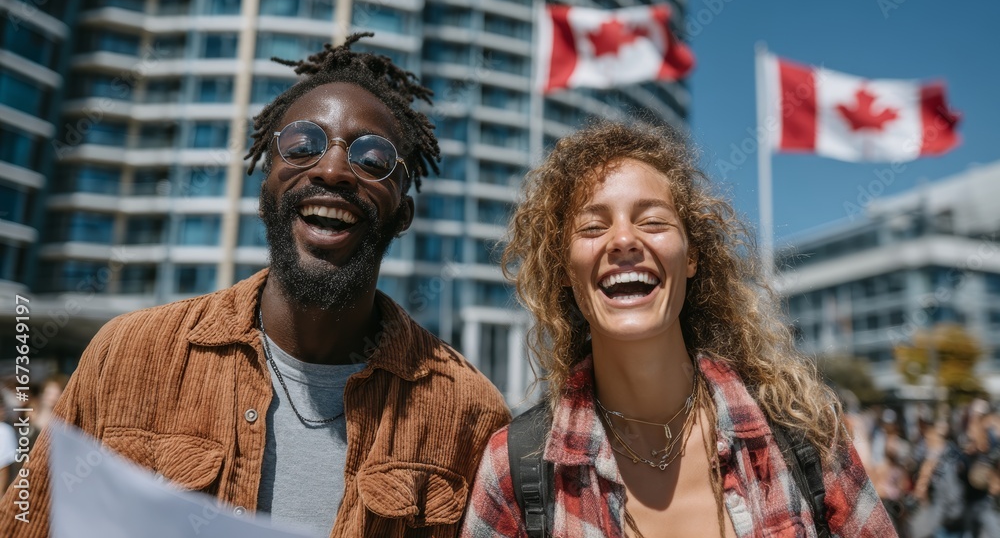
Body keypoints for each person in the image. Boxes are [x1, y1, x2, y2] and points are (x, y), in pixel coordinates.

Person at [0, 33, 510, 537]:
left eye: (373, 159)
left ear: (403, 213)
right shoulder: (128, 355)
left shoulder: (470, 414)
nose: (333, 170)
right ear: (267, 183)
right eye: (303, 145)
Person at [461, 121, 895, 537]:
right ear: (564, 271)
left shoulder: (803, 435)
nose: (623, 240)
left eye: (653, 221)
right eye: (593, 227)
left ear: (691, 257)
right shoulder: (512, 472)